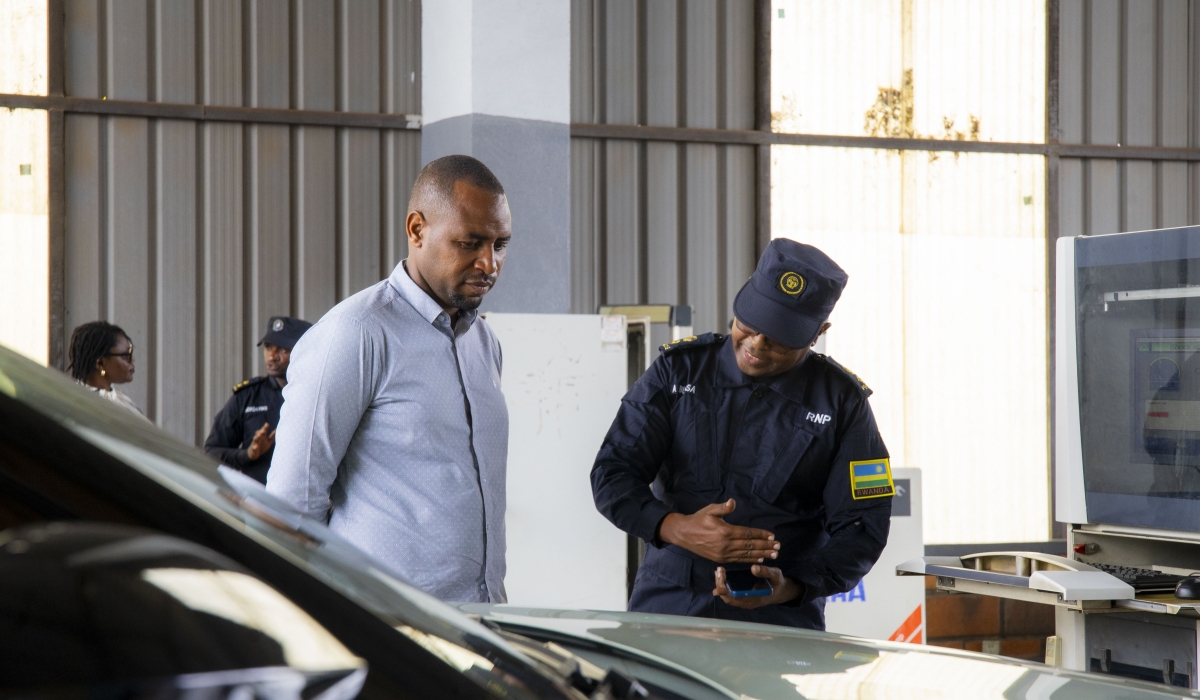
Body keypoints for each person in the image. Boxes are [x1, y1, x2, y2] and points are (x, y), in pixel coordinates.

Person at [590, 238, 893, 630]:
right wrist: (677, 528)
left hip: (781, 622)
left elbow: (863, 526)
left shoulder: (842, 402)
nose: (757, 344)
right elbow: (612, 473)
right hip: (668, 606)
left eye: (779, 337)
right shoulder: (678, 372)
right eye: (749, 324)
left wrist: (791, 586)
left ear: (819, 332)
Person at [267, 155, 512, 603]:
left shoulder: (484, 343)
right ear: (417, 230)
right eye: (470, 243)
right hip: (385, 621)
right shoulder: (355, 334)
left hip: (482, 618)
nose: (489, 263)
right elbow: (290, 506)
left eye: (500, 245)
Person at [204, 316, 312, 484]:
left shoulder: (315, 396)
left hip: (305, 496)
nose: (272, 356)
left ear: (302, 351)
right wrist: (248, 454)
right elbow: (212, 451)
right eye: (268, 347)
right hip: (257, 496)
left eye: (283, 349)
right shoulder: (248, 396)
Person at [67, 321, 147, 418]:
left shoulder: (119, 400)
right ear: (100, 363)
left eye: (130, 353)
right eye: (125, 356)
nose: (132, 360)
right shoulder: (90, 407)